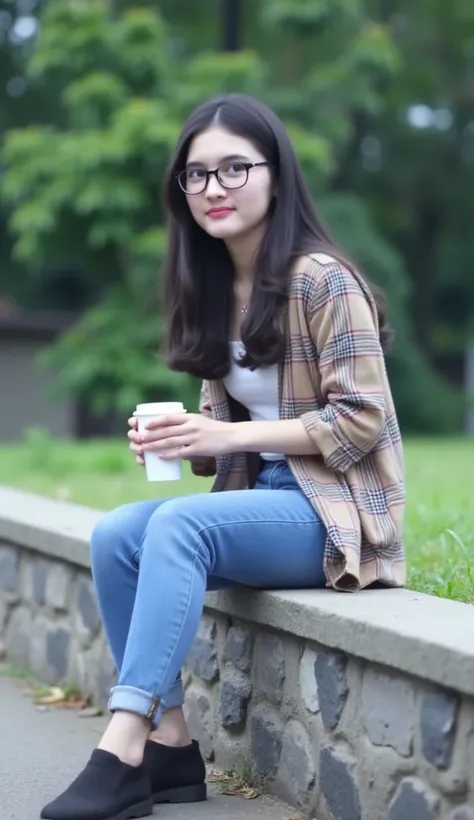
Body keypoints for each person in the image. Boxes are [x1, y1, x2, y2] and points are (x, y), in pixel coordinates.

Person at [40, 93, 405, 820]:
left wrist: (226, 438)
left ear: (277, 176)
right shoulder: (212, 284)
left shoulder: (323, 279)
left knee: (179, 527)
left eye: (235, 169)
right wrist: (182, 436)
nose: (213, 188)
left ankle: (121, 744)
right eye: (197, 175)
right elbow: (223, 436)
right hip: (263, 496)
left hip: (334, 512)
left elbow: (362, 419)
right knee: (119, 533)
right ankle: (173, 745)